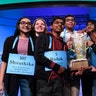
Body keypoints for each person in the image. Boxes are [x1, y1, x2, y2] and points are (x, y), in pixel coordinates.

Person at [0, 17, 36, 96]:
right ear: (18, 25)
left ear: (31, 26)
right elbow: (4, 61)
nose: (26, 25)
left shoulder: (35, 41)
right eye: (23, 23)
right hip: (11, 77)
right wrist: (0, 82)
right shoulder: (9, 40)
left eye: (29, 23)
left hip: (28, 77)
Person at [34, 16, 67, 96]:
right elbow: (38, 56)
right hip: (45, 79)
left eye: (62, 24)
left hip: (59, 79)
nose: (59, 25)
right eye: (57, 23)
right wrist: (57, 67)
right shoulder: (43, 37)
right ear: (51, 26)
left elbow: (64, 62)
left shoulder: (63, 43)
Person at [60, 15, 82, 96]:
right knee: (65, 92)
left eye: (72, 20)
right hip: (64, 66)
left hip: (76, 66)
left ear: (75, 23)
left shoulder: (79, 34)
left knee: (75, 92)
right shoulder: (61, 34)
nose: (70, 21)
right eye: (68, 20)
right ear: (65, 23)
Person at [29, 18, 48, 96]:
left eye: (42, 24)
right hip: (29, 73)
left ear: (45, 27)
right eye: (37, 24)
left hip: (44, 74)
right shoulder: (28, 39)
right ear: (33, 27)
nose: (40, 25)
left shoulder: (49, 39)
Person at [82, 20, 96, 96]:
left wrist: (93, 45)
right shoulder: (85, 37)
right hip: (87, 70)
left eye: (91, 24)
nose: (89, 26)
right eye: (87, 25)